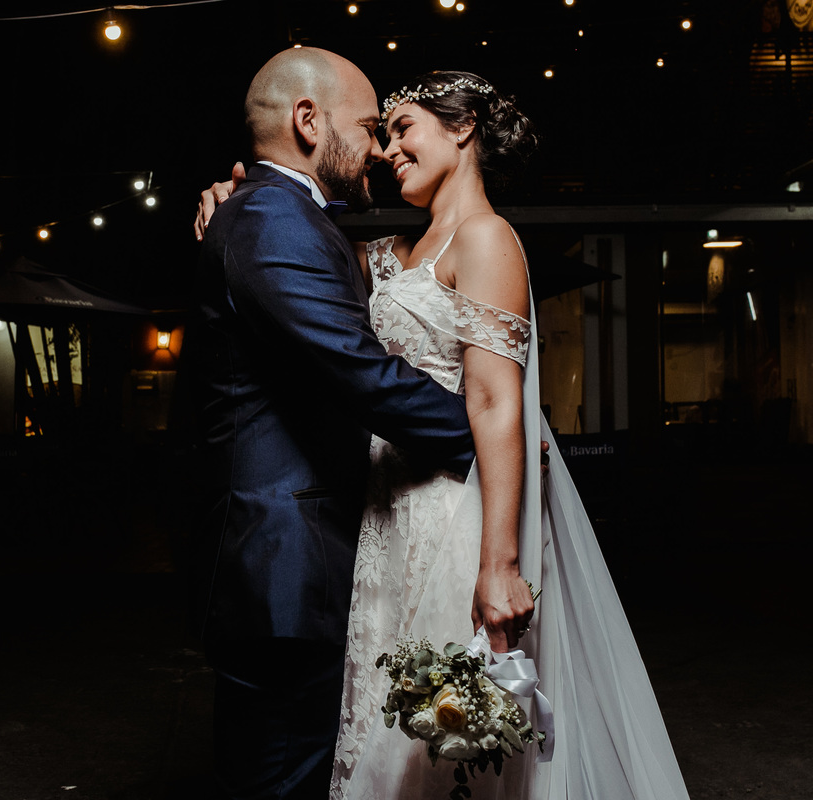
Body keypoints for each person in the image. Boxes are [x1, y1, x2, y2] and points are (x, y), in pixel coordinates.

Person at [197, 70, 690, 800]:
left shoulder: (489, 240)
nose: (384, 151)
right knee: (375, 729)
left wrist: (499, 558)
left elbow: (495, 400)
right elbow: (323, 315)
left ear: (463, 130)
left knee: (445, 747)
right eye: (379, 130)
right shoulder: (384, 253)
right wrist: (236, 202)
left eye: (401, 130)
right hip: (379, 526)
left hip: (449, 519)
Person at [190, 48, 477, 800]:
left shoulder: (280, 215)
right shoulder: (267, 218)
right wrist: (496, 433)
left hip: (303, 563)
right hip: (282, 568)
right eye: (368, 125)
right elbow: (358, 373)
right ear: (308, 121)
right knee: (280, 777)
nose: (382, 147)